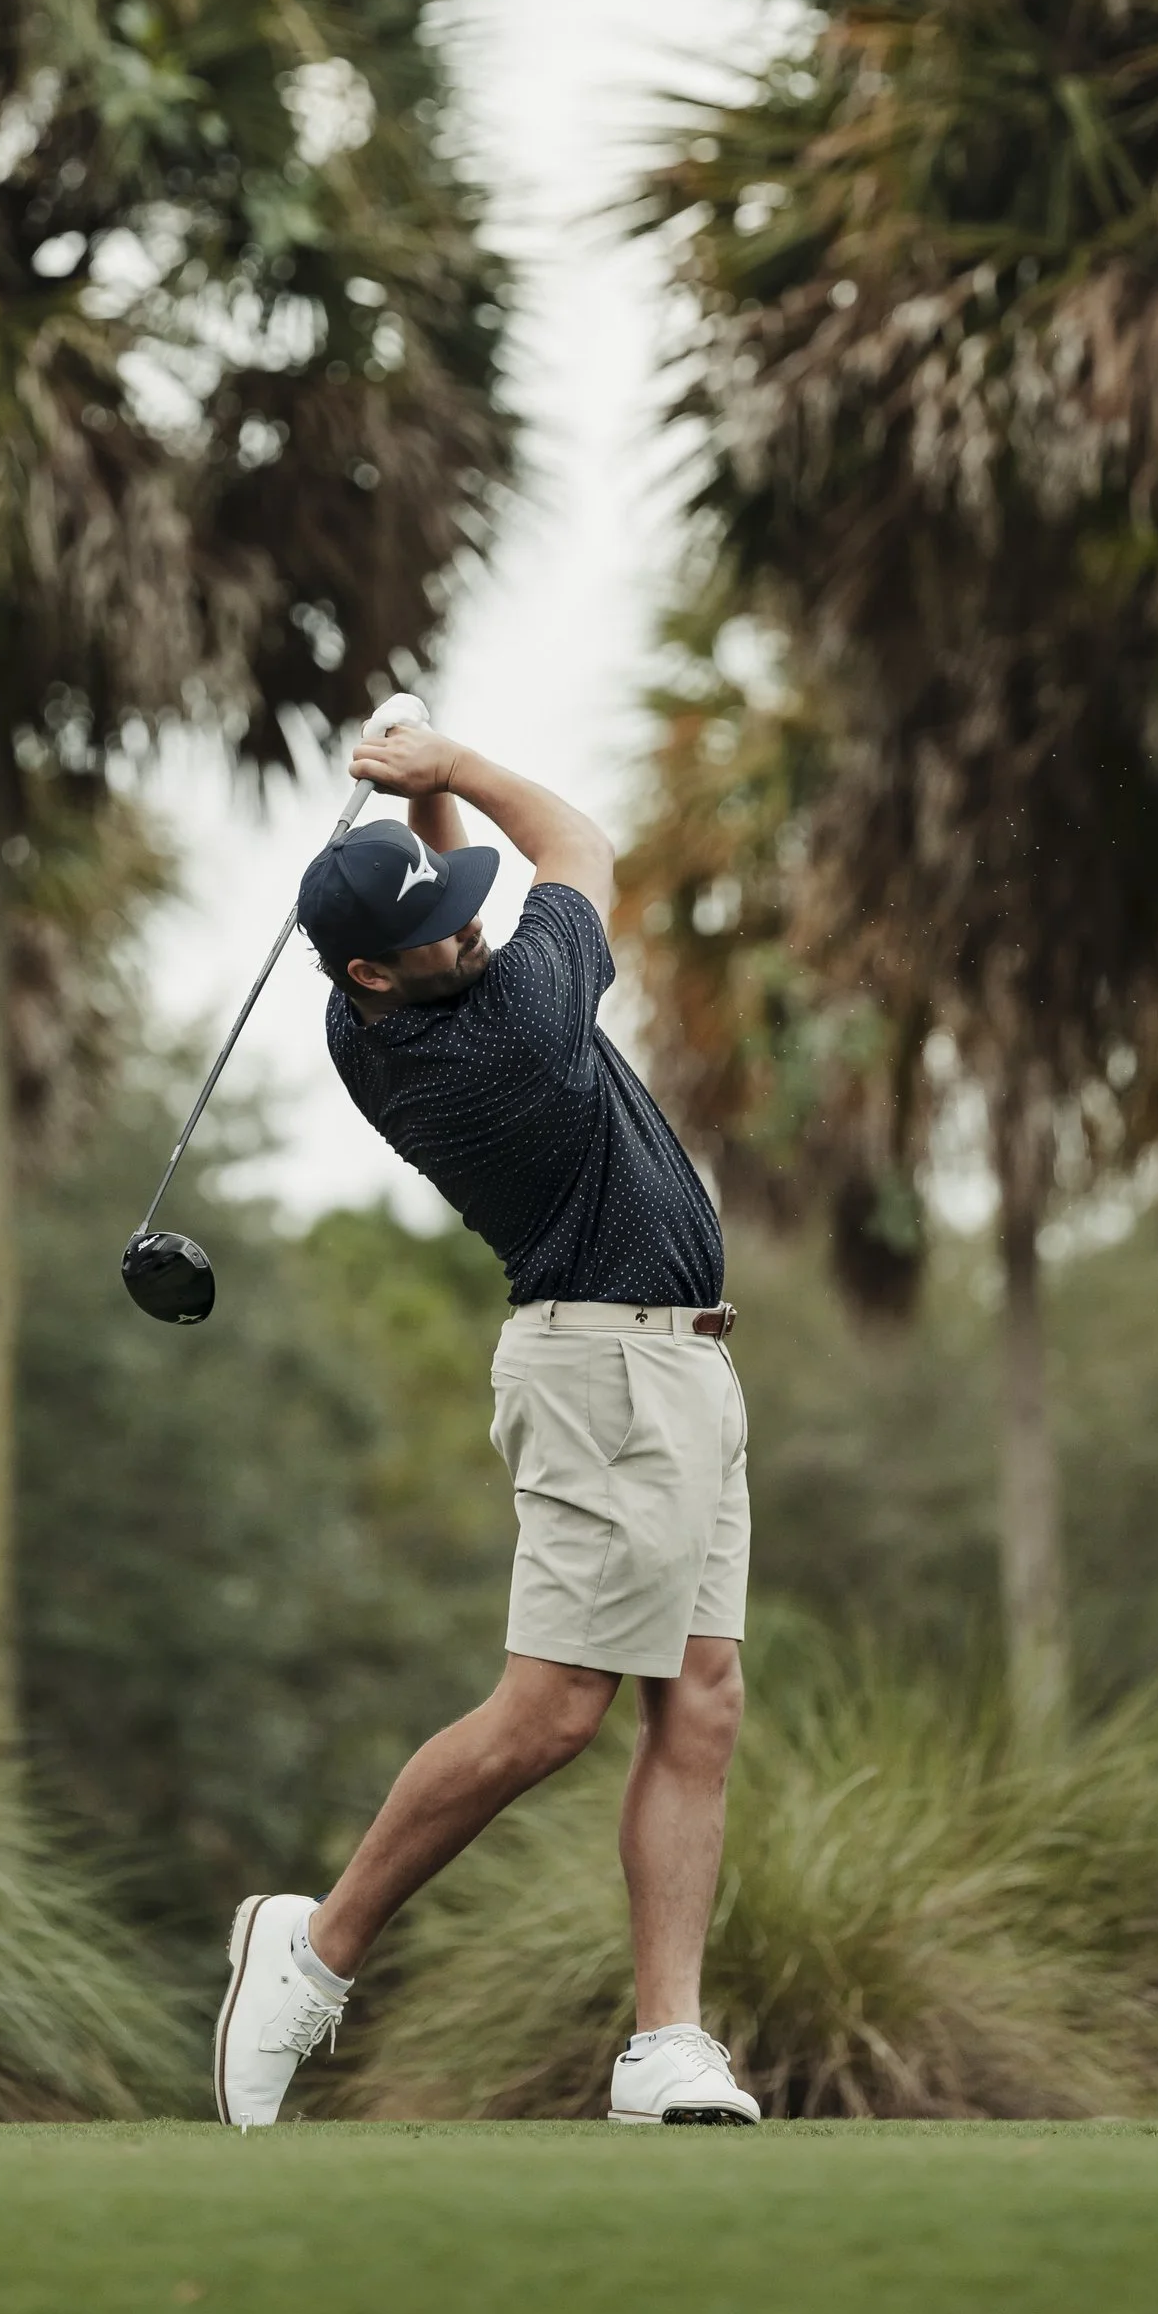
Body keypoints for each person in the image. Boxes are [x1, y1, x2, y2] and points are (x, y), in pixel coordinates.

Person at [212, 719, 757, 2131]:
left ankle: (666, 2046)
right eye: (439, 930)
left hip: (680, 1368)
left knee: (699, 1700)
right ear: (371, 974)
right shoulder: (510, 1038)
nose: (471, 928)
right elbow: (575, 845)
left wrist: (426, 809)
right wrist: (448, 759)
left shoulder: (371, 1016)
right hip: (604, 1374)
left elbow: (468, 906)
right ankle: (314, 1951)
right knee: (550, 1714)